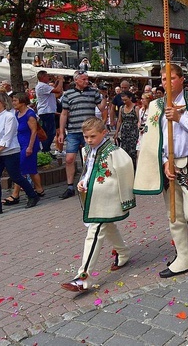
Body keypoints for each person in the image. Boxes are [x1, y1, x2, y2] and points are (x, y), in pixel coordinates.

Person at [134, 64, 188, 278]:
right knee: (174, 216)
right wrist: (165, 160)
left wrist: (180, 118)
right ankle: (183, 257)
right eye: (163, 79)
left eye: (171, 78)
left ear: (182, 79)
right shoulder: (156, 105)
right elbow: (153, 138)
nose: (166, 82)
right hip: (168, 166)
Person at [60, 117, 136, 292]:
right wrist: (82, 182)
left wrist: (126, 199)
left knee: (94, 231)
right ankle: (123, 253)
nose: (88, 140)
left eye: (92, 136)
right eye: (86, 136)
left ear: (104, 133)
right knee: (107, 226)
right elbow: (88, 170)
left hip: (107, 198)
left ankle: (82, 277)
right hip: (94, 197)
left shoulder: (114, 152)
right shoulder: (87, 150)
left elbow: (126, 173)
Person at [0, 92, 40, 218]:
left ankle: (32, 195)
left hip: (9, 152)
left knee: (16, 177)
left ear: (3, 103)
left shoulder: (9, 117)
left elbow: (7, 137)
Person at [57, 70, 109, 199]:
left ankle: (90, 182)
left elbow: (102, 108)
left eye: (87, 79)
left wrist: (105, 96)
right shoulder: (68, 94)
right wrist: (62, 132)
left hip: (89, 131)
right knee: (69, 159)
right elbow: (64, 113)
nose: (87, 81)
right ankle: (70, 186)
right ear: (76, 80)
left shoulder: (93, 92)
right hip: (73, 130)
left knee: (90, 157)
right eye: (84, 79)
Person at [3, 93, 46, 205]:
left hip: (28, 144)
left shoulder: (30, 114)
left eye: (15, 101)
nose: (13, 103)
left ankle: (15, 194)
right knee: (31, 169)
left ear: (22, 102)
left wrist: (30, 147)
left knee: (20, 170)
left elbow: (34, 131)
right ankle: (40, 189)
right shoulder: (17, 113)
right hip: (20, 143)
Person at [35, 70, 63, 155]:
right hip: (46, 112)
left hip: (47, 111)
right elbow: (58, 90)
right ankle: (45, 149)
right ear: (43, 77)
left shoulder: (44, 86)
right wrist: (61, 80)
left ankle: (46, 149)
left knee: (48, 132)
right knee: (50, 133)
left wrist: (56, 80)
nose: (49, 78)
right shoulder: (42, 86)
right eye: (47, 76)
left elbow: (56, 94)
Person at [114, 91, 139, 167]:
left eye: (126, 100)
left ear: (130, 98)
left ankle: (134, 167)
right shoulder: (121, 108)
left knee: (133, 151)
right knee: (124, 150)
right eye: (123, 100)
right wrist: (116, 132)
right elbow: (119, 120)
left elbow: (138, 120)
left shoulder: (136, 108)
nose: (124, 102)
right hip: (124, 132)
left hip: (133, 132)